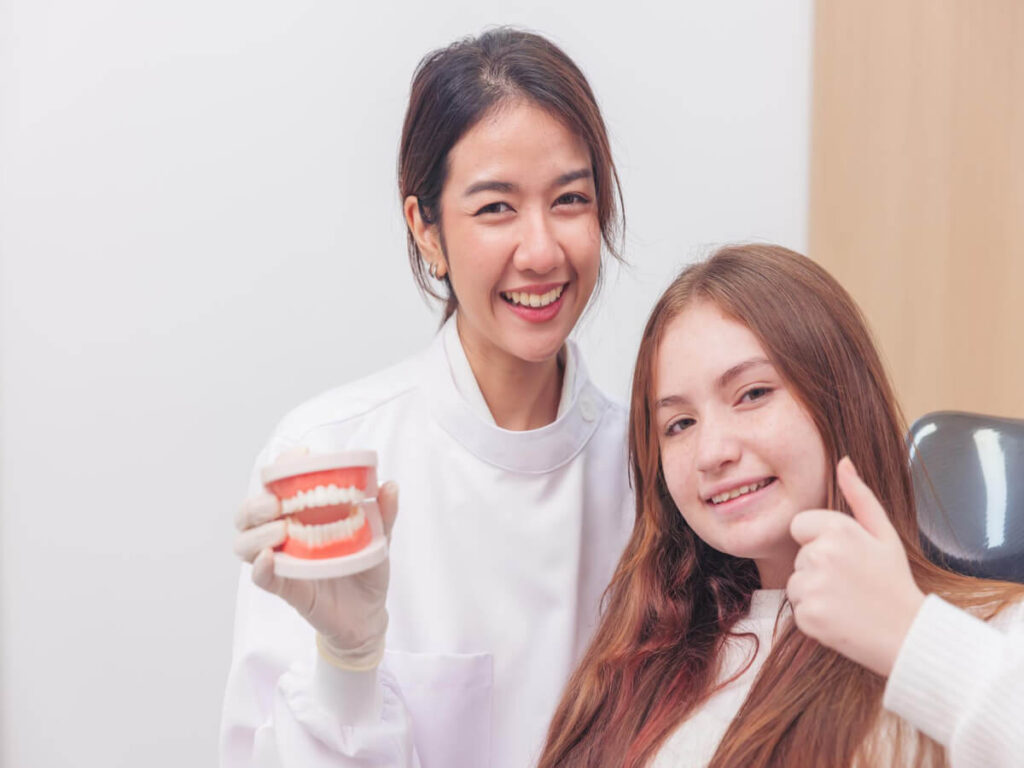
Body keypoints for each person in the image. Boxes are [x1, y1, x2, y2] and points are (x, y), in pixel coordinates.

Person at [221, 28, 633, 768]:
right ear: (427, 230)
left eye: (570, 198)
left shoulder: (651, 471)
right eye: (496, 208)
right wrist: (348, 661)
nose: (541, 251)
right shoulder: (327, 462)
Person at [538, 244, 1024, 768]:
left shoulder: (990, 630)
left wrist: (911, 637)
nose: (712, 452)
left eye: (752, 394)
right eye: (679, 424)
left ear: (840, 398)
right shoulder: (644, 663)